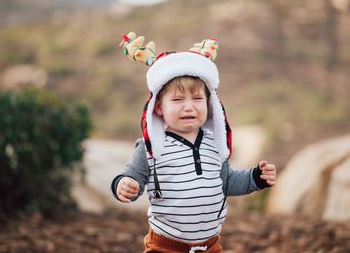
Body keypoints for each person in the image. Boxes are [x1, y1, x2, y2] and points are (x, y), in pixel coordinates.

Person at [111, 33, 276, 253]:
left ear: (210, 104)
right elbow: (134, 178)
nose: (189, 107)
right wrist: (124, 184)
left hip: (209, 246)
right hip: (165, 246)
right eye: (178, 100)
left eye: (197, 99)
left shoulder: (215, 144)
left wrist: (256, 178)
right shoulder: (151, 147)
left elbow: (227, 183)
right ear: (158, 107)